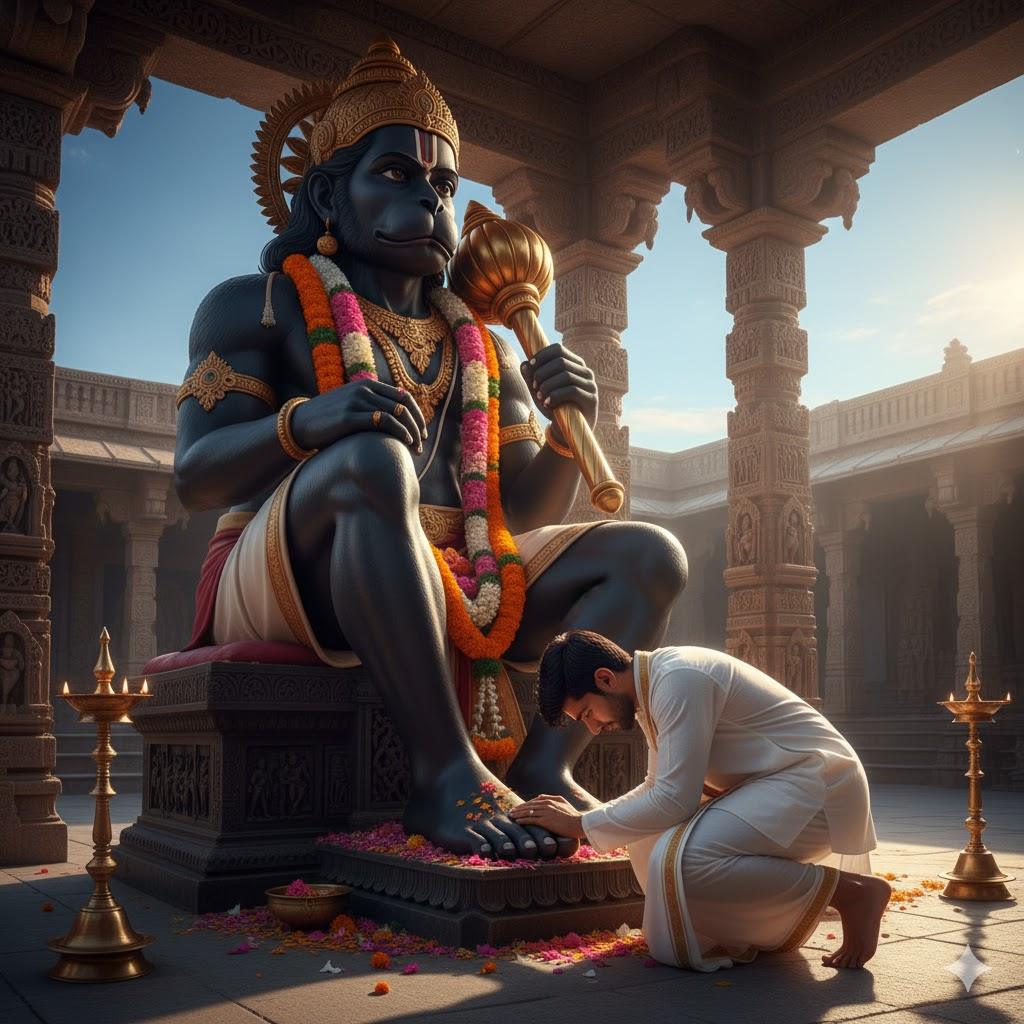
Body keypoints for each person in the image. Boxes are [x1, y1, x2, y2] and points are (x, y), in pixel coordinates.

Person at [172, 38, 687, 860]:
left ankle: (545, 771)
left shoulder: (483, 345)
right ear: (328, 195)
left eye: (444, 184)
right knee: (374, 460)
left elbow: (519, 511)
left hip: (460, 561)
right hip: (288, 565)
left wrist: (565, 434)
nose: (429, 199)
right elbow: (195, 477)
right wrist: (308, 422)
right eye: (396, 174)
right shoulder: (257, 304)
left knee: (650, 553)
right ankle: (444, 774)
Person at [510, 631, 888, 971]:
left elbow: (675, 799)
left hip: (818, 784)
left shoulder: (679, 678)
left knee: (686, 860)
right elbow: (657, 786)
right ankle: (730, 931)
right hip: (779, 785)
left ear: (605, 679)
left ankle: (852, 893)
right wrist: (586, 818)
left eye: (588, 713)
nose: (593, 728)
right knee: (647, 839)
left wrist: (579, 825)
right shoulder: (656, 684)